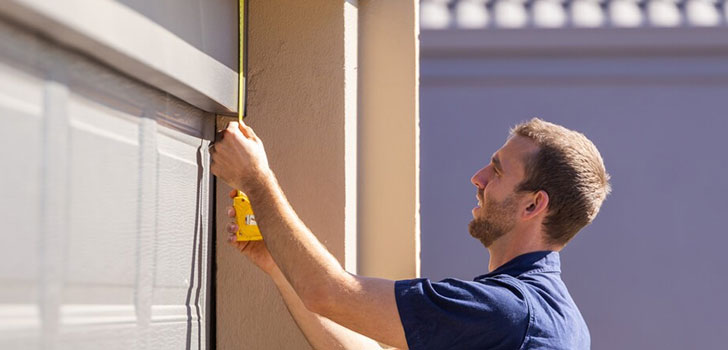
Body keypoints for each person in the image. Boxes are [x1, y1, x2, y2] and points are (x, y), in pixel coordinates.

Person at [209, 118, 611, 349]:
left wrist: (256, 179)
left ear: (532, 205)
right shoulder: (564, 323)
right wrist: (279, 264)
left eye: (498, 171)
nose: (479, 178)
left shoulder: (506, 313)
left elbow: (329, 292)